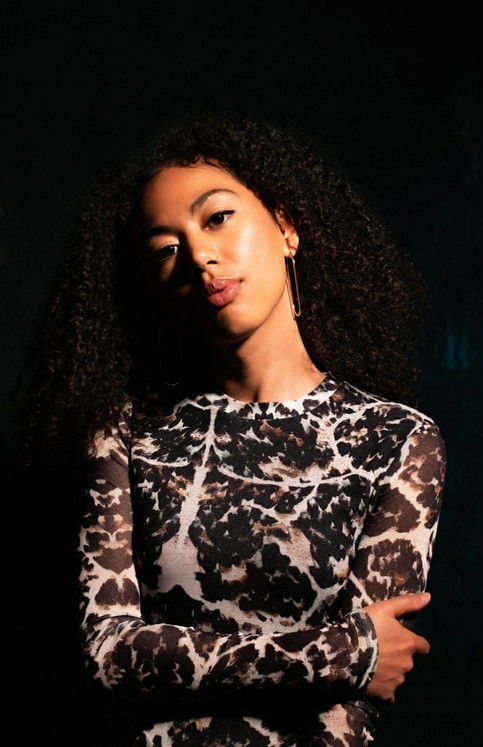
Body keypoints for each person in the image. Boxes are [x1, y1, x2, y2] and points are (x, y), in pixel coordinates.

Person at [21, 115, 446, 745]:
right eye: (165, 250)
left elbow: (361, 700)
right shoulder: (125, 434)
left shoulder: (397, 440)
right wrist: (340, 652)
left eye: (217, 217)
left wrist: (356, 659)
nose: (199, 255)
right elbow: (108, 653)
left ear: (286, 227)